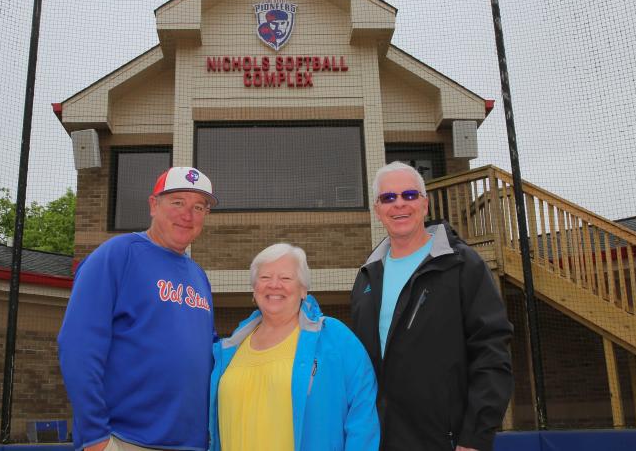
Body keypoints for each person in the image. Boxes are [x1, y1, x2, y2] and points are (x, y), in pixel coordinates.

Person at [350, 162, 513, 451]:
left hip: (444, 441)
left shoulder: (462, 264)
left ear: (424, 205)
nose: (399, 203)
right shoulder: (367, 276)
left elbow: (491, 351)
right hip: (377, 440)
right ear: (378, 211)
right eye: (388, 198)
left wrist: (474, 436)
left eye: (409, 195)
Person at [58, 166, 218, 451]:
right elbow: (78, 345)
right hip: (126, 439)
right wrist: (95, 437)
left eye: (199, 207)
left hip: (191, 443)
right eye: (178, 202)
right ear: (153, 205)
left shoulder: (198, 276)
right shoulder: (118, 254)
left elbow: (208, 351)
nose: (188, 214)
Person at [209, 243, 379, 451]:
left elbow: (363, 416)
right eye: (265, 277)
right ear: (254, 289)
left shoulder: (334, 338)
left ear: (303, 290)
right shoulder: (230, 348)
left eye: (286, 278)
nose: (274, 284)